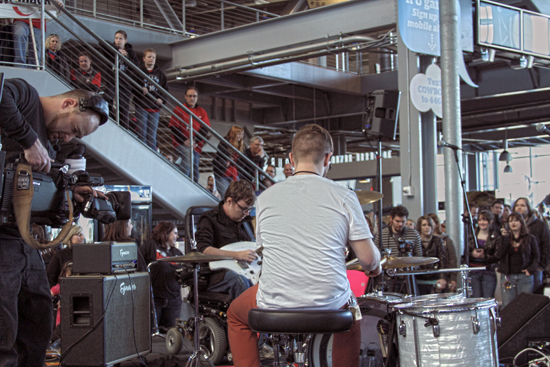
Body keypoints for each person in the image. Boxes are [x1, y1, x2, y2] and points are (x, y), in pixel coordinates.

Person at [226, 124, 381, 367]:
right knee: (352, 317)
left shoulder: (265, 199)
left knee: (235, 315)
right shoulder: (344, 195)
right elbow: (368, 260)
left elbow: (266, 248)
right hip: (329, 302)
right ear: (328, 158)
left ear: (291, 158)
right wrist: (375, 267)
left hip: (274, 299)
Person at [0, 78, 107, 366]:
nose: (69, 138)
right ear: (69, 104)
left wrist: (70, 193)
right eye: (73, 129)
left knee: (38, 319)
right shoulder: (25, 97)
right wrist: (29, 140)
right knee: (4, 326)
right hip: (3, 240)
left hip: (22, 238)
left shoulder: (50, 143)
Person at [195, 180, 256, 299]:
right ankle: (247, 317)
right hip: (216, 275)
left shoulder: (245, 221)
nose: (246, 213)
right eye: (243, 209)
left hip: (246, 270)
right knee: (239, 281)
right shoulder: (209, 219)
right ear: (229, 201)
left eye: (249, 209)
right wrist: (237, 255)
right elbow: (204, 250)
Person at [140, 222, 183, 329]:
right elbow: (138, 264)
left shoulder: (177, 253)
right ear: (166, 233)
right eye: (175, 233)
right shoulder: (150, 245)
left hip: (173, 300)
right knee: (150, 333)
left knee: (170, 335)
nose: (177, 236)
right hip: (154, 299)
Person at [496, 212, 539, 307]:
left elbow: (536, 257)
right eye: (510, 221)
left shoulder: (530, 238)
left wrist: (530, 270)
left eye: (516, 220)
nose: (513, 223)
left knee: (524, 306)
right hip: (508, 277)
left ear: (521, 222)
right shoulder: (504, 238)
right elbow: (499, 254)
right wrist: (505, 238)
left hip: (524, 276)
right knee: (508, 305)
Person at [169, 86, 211, 183]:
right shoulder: (179, 109)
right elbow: (174, 128)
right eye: (190, 96)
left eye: (194, 96)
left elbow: (205, 130)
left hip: (196, 145)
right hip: (181, 144)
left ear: (197, 97)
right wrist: (185, 141)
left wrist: (194, 141)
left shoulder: (202, 112)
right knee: (188, 156)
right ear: (185, 97)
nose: (192, 98)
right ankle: (182, 182)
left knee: (195, 175)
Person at [102, 30, 139, 130]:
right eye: (116, 38)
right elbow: (101, 42)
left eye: (120, 39)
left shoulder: (131, 53)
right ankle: (111, 121)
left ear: (125, 40)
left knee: (124, 108)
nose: (118, 41)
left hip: (125, 84)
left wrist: (126, 57)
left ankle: (123, 129)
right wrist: (117, 50)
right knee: (106, 99)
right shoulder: (111, 49)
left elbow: (136, 67)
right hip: (112, 81)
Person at [513, 197, 550, 293]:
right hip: (517, 267)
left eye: (522, 205)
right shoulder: (512, 224)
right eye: (517, 205)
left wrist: (541, 265)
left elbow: (547, 245)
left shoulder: (539, 225)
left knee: (534, 297)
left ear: (528, 207)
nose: (519, 208)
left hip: (535, 265)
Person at [133, 48, 168, 150]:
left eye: (153, 57)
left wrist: (162, 99)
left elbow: (165, 90)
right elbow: (132, 87)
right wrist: (140, 88)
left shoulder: (160, 74)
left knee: (152, 136)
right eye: (149, 57)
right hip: (141, 106)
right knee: (142, 134)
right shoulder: (139, 72)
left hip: (155, 108)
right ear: (144, 58)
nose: (151, 59)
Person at [469, 211, 501, 298]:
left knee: (487, 299)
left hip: (488, 272)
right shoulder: (472, 235)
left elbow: (497, 256)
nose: (482, 223)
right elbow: (465, 253)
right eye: (480, 220)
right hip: (473, 272)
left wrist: (484, 256)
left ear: (490, 221)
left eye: (484, 220)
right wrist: (472, 254)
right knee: (476, 299)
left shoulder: (496, 236)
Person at [415, 215, 448, 294]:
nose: (427, 227)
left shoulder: (437, 240)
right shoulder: (415, 241)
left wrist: (442, 277)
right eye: (424, 225)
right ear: (420, 227)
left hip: (435, 276)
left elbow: (442, 259)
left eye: (429, 225)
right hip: (419, 277)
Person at [427, 213, 458, 291]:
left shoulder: (447, 240)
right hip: (429, 276)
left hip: (444, 276)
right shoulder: (423, 241)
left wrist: (453, 278)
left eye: (430, 223)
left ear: (437, 224)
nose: (428, 226)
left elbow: (452, 259)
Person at [213, 125, 244, 197]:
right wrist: (226, 161)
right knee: (226, 197)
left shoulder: (241, 146)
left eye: (242, 134)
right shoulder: (224, 142)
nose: (241, 136)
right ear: (233, 134)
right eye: (239, 134)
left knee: (237, 197)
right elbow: (219, 156)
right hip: (223, 174)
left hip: (235, 175)